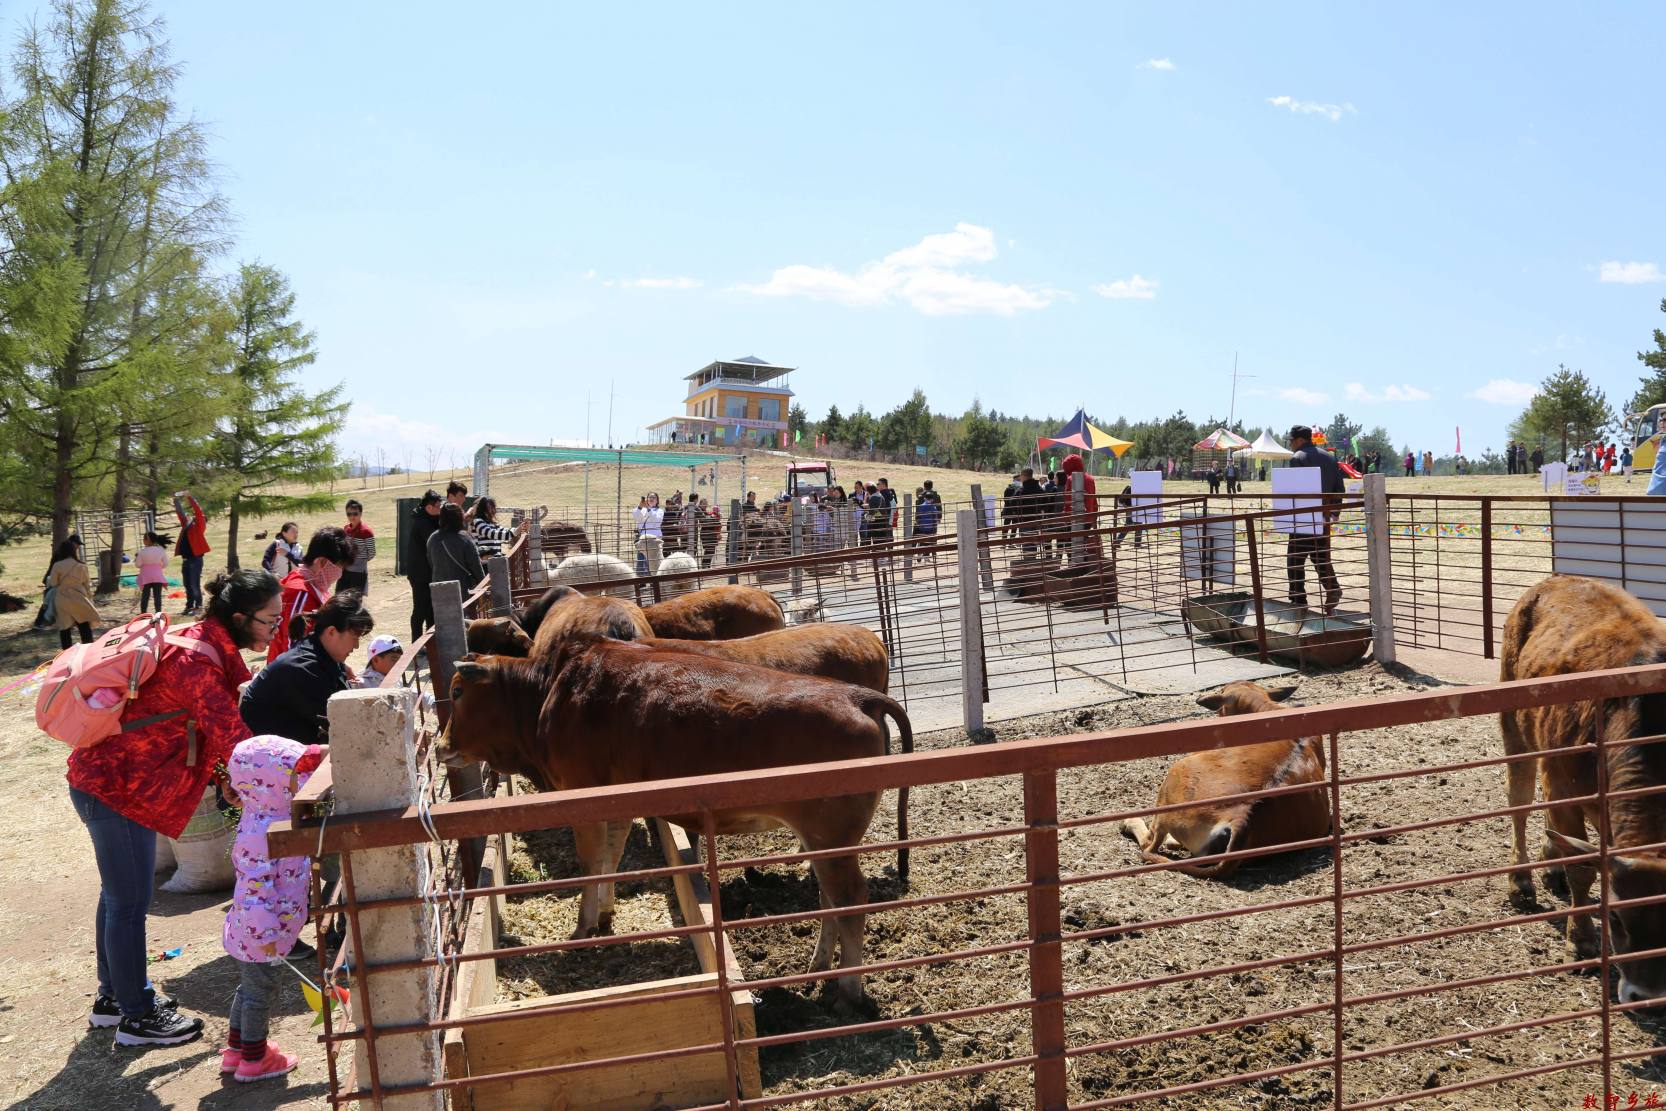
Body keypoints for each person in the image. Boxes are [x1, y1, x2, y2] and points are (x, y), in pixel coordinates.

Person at [70, 569, 281, 1047]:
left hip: (114, 783)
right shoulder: (196, 661)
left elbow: (200, 732)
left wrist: (228, 779)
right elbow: (232, 736)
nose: (275, 628)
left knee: (118, 896)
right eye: (270, 620)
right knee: (129, 902)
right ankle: (137, 1016)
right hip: (119, 788)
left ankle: (112, 999)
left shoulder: (198, 644)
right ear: (240, 617)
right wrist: (288, 770)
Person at [221, 734, 327, 1082]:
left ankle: (237, 1051)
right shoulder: (264, 831)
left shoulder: (268, 813)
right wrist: (267, 934)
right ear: (272, 782)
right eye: (294, 775)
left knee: (248, 989)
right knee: (260, 993)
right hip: (261, 932)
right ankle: (255, 1059)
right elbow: (254, 892)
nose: (303, 781)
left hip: (259, 930)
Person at [241, 591, 372, 746]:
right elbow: (344, 725)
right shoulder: (303, 668)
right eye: (355, 638)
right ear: (331, 632)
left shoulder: (322, 655)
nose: (356, 646)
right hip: (268, 760)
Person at [266, 527, 354, 663]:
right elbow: (294, 651)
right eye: (339, 566)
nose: (340, 573)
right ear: (321, 562)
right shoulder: (301, 594)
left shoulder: (313, 585)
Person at [1286, 425, 1345, 615]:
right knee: (1320, 557)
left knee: (1294, 559)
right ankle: (1332, 588)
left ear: (1300, 440)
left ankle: (1298, 600)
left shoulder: (1298, 458)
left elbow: (1295, 490)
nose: (1290, 444)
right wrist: (1334, 513)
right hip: (1324, 517)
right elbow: (1339, 487)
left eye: (1291, 440)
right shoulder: (1329, 457)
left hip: (1303, 517)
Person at [46, 535, 99, 649]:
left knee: (65, 628)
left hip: (62, 599)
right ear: (73, 550)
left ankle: (66, 654)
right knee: (84, 625)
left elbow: (54, 583)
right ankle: (88, 650)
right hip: (79, 597)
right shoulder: (81, 565)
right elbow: (87, 584)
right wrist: (89, 599)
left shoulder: (57, 565)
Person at [405, 490, 443, 641]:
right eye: (438, 506)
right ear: (429, 507)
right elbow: (435, 541)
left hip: (427, 572)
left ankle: (429, 642)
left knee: (430, 610)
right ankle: (416, 642)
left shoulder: (429, 520)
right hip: (420, 574)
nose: (440, 509)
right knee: (420, 609)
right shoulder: (423, 523)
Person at [427, 502, 485, 595]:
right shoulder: (464, 538)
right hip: (462, 590)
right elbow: (476, 567)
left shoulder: (433, 538)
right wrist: (483, 585)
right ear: (459, 518)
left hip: (439, 589)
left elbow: (431, 563)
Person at [172, 490, 210, 615]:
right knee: (187, 585)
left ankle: (198, 607)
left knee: (194, 584)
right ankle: (189, 607)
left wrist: (190, 497)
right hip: (186, 560)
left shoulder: (199, 526)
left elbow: (198, 511)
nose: (191, 516)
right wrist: (175, 500)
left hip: (195, 559)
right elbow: (180, 513)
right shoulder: (186, 524)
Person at [470, 496, 525, 563]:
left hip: (494, 561)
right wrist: (515, 532)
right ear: (483, 509)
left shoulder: (492, 523)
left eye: (492, 507)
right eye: (489, 508)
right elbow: (492, 533)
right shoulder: (478, 521)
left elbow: (504, 530)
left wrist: (519, 529)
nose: (492, 510)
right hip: (483, 562)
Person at [340, 501, 376, 594]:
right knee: (340, 596)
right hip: (345, 569)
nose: (352, 517)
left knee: (355, 600)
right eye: (349, 514)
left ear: (360, 514)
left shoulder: (366, 531)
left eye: (355, 514)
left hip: (358, 571)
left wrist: (361, 560)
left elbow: (372, 552)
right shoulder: (346, 529)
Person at [136, 531, 172, 615]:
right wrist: (158, 567)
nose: (143, 541)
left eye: (144, 539)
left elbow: (138, 564)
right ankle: (158, 613)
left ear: (147, 540)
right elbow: (166, 563)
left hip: (146, 576)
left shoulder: (142, 551)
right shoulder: (161, 550)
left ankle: (143, 613)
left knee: (145, 595)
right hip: (157, 575)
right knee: (157, 596)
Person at [633, 492, 665, 574]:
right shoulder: (642, 510)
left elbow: (656, 521)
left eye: (654, 497)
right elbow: (637, 517)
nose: (651, 499)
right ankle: (641, 581)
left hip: (654, 540)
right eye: (650, 497)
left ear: (657, 500)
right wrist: (640, 507)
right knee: (641, 560)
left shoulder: (660, 511)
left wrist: (648, 509)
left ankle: (653, 581)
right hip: (643, 539)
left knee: (654, 561)